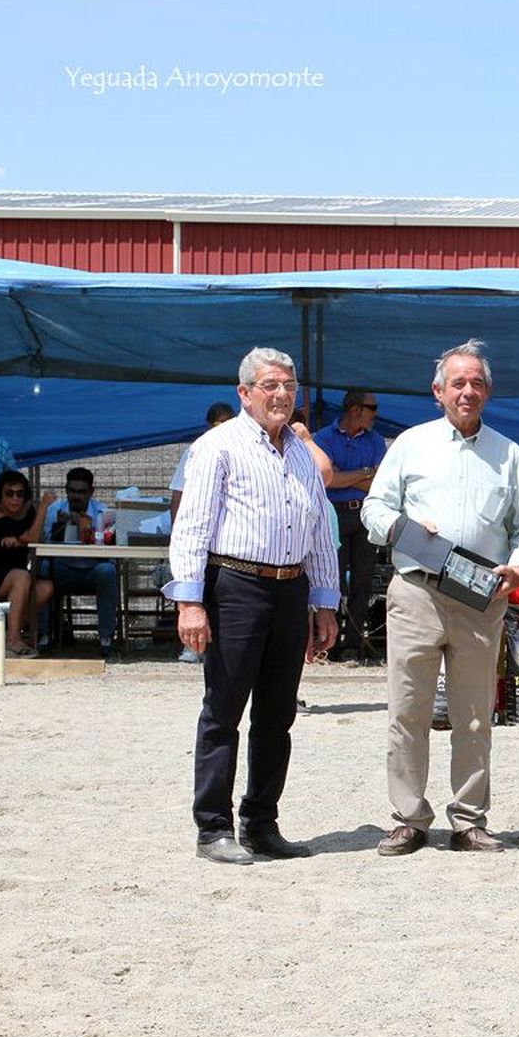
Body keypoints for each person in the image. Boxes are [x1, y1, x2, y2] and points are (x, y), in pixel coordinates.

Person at [362, 340, 519, 857]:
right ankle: (409, 819)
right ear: (437, 391)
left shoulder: (508, 454)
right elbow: (374, 508)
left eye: (476, 383)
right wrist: (402, 527)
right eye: (457, 383)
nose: (467, 391)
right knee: (407, 710)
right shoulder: (409, 445)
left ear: (488, 391)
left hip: (481, 599)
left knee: (475, 715)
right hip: (416, 592)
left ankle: (469, 820)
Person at [163, 348, 339, 865]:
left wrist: (324, 601)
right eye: (269, 385)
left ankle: (261, 823)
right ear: (245, 393)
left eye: (288, 385)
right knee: (223, 710)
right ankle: (213, 828)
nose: (281, 394)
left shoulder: (303, 454)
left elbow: (318, 533)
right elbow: (191, 525)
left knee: (277, 715)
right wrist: (190, 601)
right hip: (233, 585)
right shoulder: (216, 447)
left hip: (290, 589)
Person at [316, 391, 386, 662]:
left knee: (362, 583)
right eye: (372, 408)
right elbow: (326, 479)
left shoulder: (376, 441)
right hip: (333, 516)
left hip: (365, 516)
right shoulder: (323, 438)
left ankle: (352, 646)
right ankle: (327, 644)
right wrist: (366, 472)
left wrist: (342, 476)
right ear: (355, 409)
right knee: (330, 582)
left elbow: (379, 483)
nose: (375, 414)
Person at [170, 401, 237, 664]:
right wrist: (179, 535)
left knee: (217, 595)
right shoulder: (196, 450)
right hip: (198, 536)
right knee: (191, 594)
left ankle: (216, 648)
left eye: (227, 421)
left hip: (225, 541)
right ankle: (191, 646)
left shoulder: (243, 449)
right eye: (218, 423)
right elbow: (179, 495)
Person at [0, 469, 55, 656]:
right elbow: (32, 536)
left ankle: (5, 630)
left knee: (45, 587)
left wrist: (20, 540)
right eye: (9, 493)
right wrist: (43, 507)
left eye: (20, 494)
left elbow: (36, 538)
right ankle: (13, 640)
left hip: (8, 577)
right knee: (22, 576)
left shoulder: (25, 514)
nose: (14, 498)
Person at [40, 466, 120, 658]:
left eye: (81, 492)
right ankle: (43, 634)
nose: (75, 496)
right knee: (42, 569)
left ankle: (106, 638)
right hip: (62, 568)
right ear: (66, 490)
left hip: (93, 568)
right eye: (72, 491)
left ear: (91, 492)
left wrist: (89, 526)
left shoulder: (102, 512)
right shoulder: (54, 510)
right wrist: (62, 525)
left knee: (107, 571)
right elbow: (43, 542)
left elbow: (111, 544)